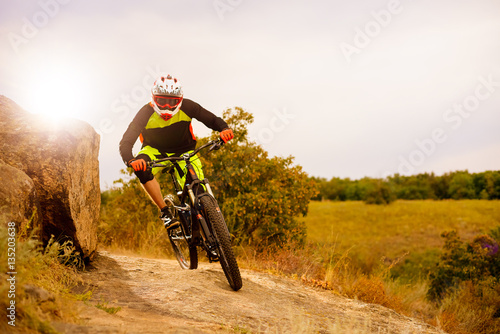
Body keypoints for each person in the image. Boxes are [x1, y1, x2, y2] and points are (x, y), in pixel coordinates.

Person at [119, 74, 233, 226]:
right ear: (153, 98)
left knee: (199, 192)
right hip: (155, 151)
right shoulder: (145, 113)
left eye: (171, 102)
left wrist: (224, 128)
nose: (166, 106)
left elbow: (211, 120)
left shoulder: (188, 106)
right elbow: (126, 142)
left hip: (185, 151)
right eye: (162, 101)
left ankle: (213, 239)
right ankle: (165, 211)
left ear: (180, 100)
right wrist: (131, 160)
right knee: (141, 169)